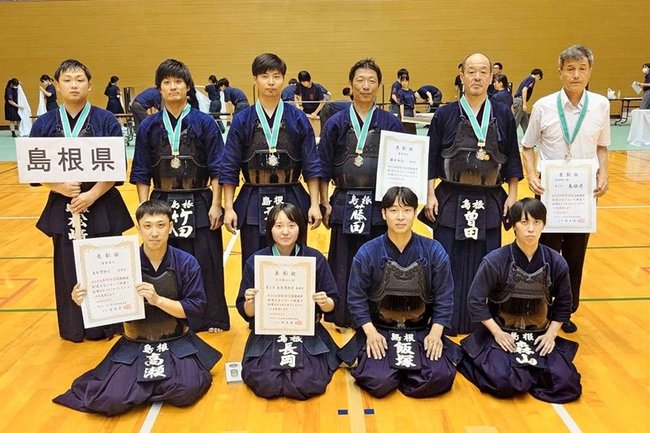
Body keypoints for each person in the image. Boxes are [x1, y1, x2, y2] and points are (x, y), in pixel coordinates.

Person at [53, 200, 223, 416]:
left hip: (176, 339)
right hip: (135, 342)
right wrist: (85, 301)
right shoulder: (121, 261)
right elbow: (107, 305)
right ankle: (147, 387)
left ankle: (145, 389)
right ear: (138, 228)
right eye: (147, 226)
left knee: (186, 391)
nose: (154, 233)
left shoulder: (186, 262)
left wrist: (158, 300)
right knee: (111, 399)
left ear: (171, 227)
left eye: (161, 225)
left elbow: (195, 308)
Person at [30, 59, 134, 342]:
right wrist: (59, 186)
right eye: (67, 80)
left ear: (90, 85)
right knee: (68, 267)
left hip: (101, 202)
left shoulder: (106, 120)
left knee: (106, 264)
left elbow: (116, 167)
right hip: (62, 202)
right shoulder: (45, 123)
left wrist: (91, 195)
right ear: (57, 85)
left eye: (79, 80)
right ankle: (73, 327)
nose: (73, 85)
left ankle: (109, 324)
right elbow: (34, 168)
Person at [422, 52, 523, 335]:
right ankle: (444, 319)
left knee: (487, 261)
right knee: (445, 259)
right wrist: (430, 194)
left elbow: (512, 156)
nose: (477, 77)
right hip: (449, 196)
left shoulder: (503, 113)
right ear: (462, 76)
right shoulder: (445, 114)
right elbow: (431, 156)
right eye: (471, 71)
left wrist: (512, 194)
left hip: (489, 197)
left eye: (483, 72)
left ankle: (482, 323)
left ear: (491, 77)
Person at [130, 58, 230, 333]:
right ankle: (170, 318)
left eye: (178, 82)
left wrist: (216, 204)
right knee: (167, 263)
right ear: (158, 89)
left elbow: (217, 168)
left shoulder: (205, 123)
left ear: (188, 88)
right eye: (167, 82)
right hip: (162, 203)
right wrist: (144, 209)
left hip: (200, 201)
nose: (173, 87)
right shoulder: (148, 126)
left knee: (207, 262)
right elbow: (141, 171)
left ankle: (211, 318)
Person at [339, 186, 461, 398]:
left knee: (439, 377)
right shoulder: (367, 252)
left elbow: (444, 295)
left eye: (406, 210)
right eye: (394, 210)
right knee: (377, 381)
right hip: (380, 330)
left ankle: (404, 371)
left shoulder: (434, 250)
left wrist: (435, 332)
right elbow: (356, 298)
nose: (400, 217)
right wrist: (370, 333)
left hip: (420, 330)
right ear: (383, 213)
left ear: (415, 212)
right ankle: (396, 370)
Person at [522, 44, 610, 334]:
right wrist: (531, 174)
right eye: (570, 69)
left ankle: (566, 310)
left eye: (582, 69)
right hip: (550, 191)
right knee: (546, 252)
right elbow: (527, 146)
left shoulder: (600, 105)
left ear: (590, 71)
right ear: (560, 72)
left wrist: (604, 173)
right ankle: (542, 307)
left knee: (575, 253)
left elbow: (602, 146)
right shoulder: (544, 106)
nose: (576, 75)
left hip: (583, 193)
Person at [458, 198, 582, 403]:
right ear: (514, 226)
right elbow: (475, 300)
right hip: (502, 333)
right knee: (503, 382)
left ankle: (528, 374)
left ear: (544, 225)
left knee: (566, 385)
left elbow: (563, 302)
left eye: (536, 222)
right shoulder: (495, 260)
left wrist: (551, 334)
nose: (531, 229)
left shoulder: (555, 261)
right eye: (524, 222)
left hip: (539, 335)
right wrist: (497, 332)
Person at [318, 58, 404, 328]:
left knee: (379, 261)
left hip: (379, 204)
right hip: (345, 200)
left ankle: (378, 315)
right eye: (360, 80)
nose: (366, 86)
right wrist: (324, 202)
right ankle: (343, 315)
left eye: (371, 81)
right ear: (350, 84)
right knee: (343, 261)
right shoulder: (336, 122)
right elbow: (323, 166)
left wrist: (398, 207)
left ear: (379, 85)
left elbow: (403, 166)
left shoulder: (390, 122)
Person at [221, 53, 322, 269]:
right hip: (252, 198)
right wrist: (228, 207)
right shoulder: (242, 119)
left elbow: (312, 164)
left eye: (276, 76)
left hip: (292, 195)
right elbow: (229, 166)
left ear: (284, 79)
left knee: (294, 265)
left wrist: (314, 204)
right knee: (255, 264)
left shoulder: (297, 118)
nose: (271, 82)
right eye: (265, 76)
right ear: (255, 79)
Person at [236, 203, 339, 400]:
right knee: (265, 381)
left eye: (291, 225)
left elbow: (333, 302)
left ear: (300, 227)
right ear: (270, 229)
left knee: (307, 380)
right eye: (279, 226)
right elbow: (247, 312)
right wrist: (250, 302)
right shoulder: (257, 261)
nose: (285, 232)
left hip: (307, 330)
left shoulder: (315, 258)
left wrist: (324, 301)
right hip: (268, 331)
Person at [513, 68, 543, 134]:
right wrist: (524, 104)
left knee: (525, 123)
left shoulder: (528, 79)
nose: (538, 80)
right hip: (520, 101)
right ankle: (508, 137)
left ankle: (528, 139)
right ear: (538, 75)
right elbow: (524, 90)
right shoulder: (532, 79)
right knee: (516, 121)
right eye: (539, 78)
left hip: (518, 100)